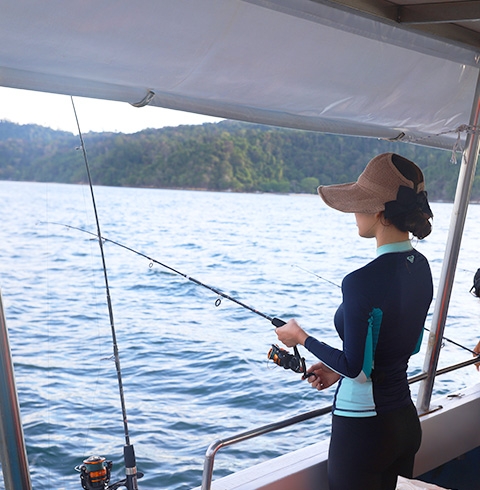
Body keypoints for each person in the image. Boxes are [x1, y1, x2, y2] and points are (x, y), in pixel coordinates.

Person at [276, 153, 434, 490]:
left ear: (378, 213)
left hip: (365, 430)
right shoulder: (422, 268)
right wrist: (336, 368)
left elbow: (359, 370)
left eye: (358, 205)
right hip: (404, 424)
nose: (353, 214)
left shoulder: (359, 281)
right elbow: (408, 345)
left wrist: (300, 337)